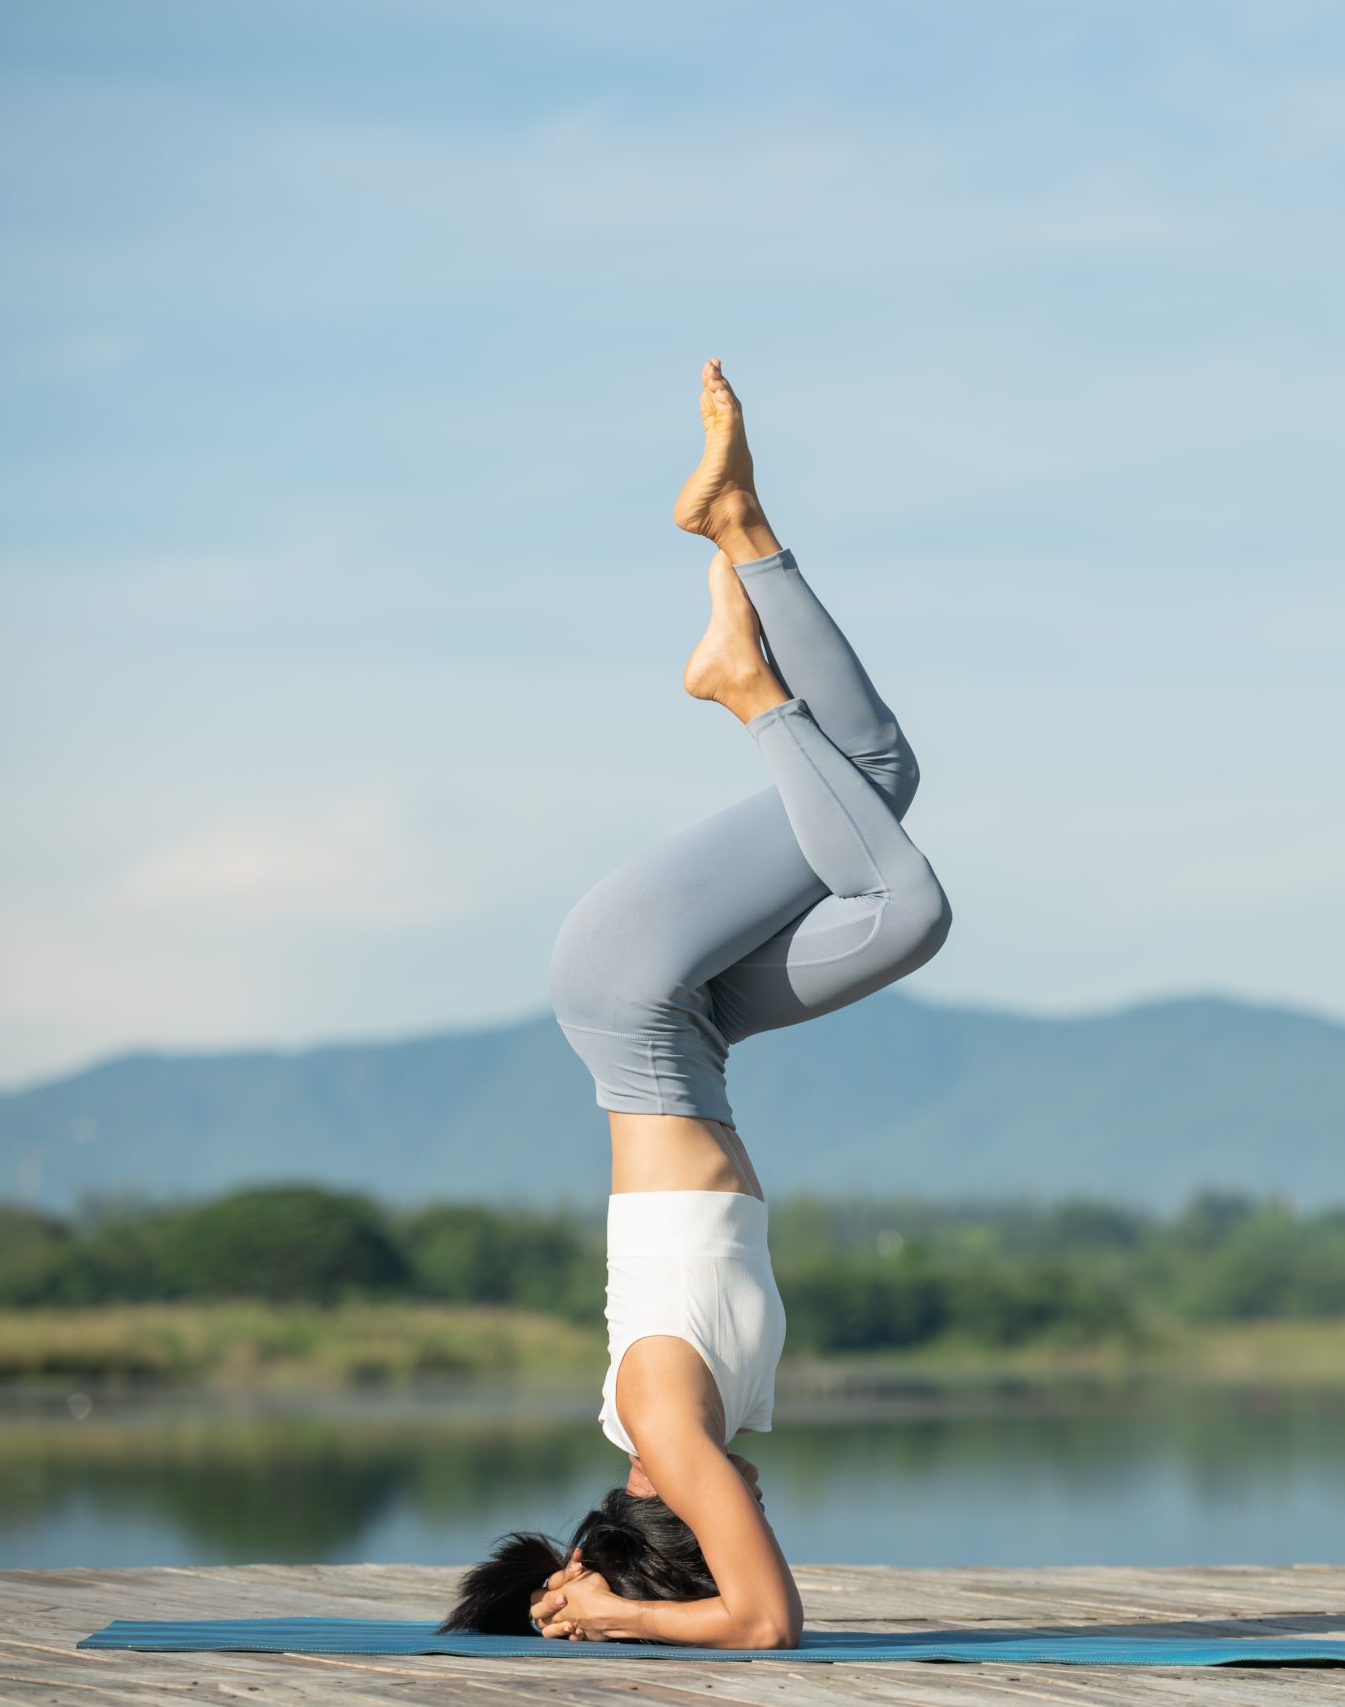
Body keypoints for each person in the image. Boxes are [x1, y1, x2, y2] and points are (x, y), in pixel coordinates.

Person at [442, 360, 952, 1647]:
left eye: (718, 1522)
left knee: (907, 905)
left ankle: (745, 685)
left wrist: (615, 1615)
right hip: (693, 1027)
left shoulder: (663, 1414)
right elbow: (743, 1587)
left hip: (633, 998)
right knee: (877, 776)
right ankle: (740, 533)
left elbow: (765, 1625)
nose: (747, 1510)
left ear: (654, 1517)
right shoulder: (700, 1420)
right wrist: (593, 1588)